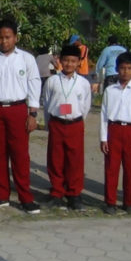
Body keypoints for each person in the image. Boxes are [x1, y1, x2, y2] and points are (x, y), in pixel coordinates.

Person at [0, 18, 41, 214]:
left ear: (15, 38)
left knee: (20, 155)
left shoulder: (26, 59)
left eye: (8, 37)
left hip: (18, 110)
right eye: (0, 38)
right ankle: (0, 195)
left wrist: (33, 113)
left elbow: (34, 84)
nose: (4, 41)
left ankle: (25, 198)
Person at [43, 45, 92, 211]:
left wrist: (76, 120)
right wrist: (50, 122)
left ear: (79, 63)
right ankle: (56, 192)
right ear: (60, 61)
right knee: (55, 159)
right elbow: (47, 103)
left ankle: (74, 194)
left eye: (73, 61)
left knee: (75, 160)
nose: (69, 64)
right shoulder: (52, 81)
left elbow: (85, 106)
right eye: (66, 60)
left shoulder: (83, 83)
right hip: (56, 123)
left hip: (75, 124)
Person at [99, 52, 131, 215]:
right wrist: (103, 138)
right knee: (111, 168)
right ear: (117, 69)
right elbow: (104, 115)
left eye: (129, 68)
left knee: (130, 168)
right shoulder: (110, 90)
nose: (125, 72)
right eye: (122, 68)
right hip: (114, 129)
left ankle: (129, 201)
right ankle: (110, 201)